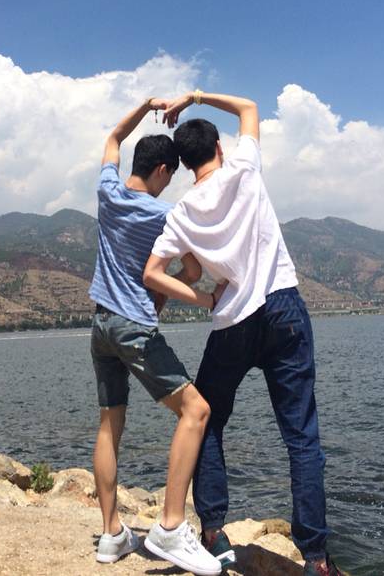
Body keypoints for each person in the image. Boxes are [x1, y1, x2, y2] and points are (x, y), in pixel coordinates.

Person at [144, 90, 342, 576]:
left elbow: (153, 273)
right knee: (302, 438)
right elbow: (249, 109)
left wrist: (203, 298)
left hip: (231, 319)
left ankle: (213, 532)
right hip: (283, 309)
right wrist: (194, 97)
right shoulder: (244, 168)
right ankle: (316, 558)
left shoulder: (182, 213)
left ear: (185, 164)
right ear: (219, 148)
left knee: (207, 420)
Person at [89, 97, 223, 576]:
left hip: (101, 325)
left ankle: (111, 534)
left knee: (110, 424)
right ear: (163, 170)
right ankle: (170, 527)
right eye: (170, 176)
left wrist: (146, 106)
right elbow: (191, 271)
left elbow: (112, 138)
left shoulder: (107, 191)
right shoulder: (163, 216)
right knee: (196, 410)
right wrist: (197, 294)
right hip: (133, 328)